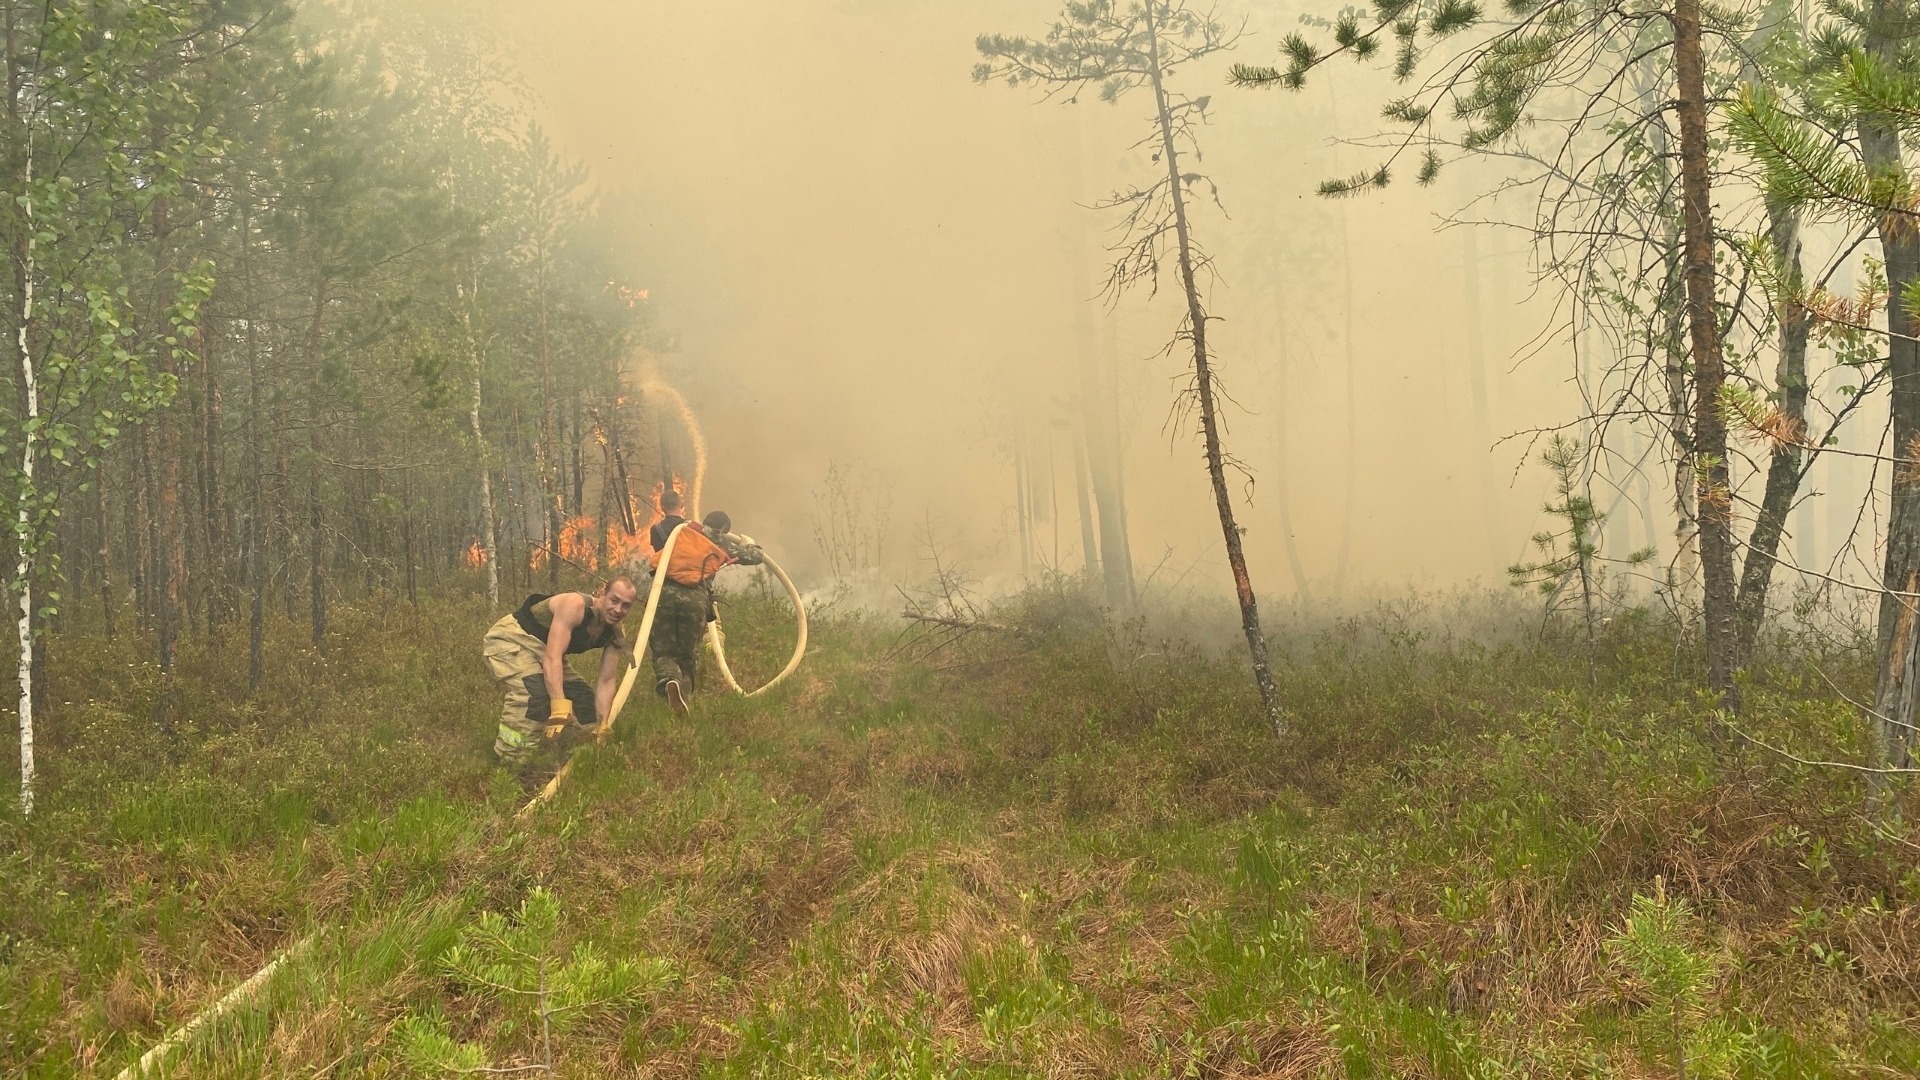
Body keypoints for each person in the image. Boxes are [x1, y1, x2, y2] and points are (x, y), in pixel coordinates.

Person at [483, 576, 640, 770]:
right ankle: (509, 764)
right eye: (614, 601)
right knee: (534, 694)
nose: (617, 610)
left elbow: (606, 680)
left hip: (546, 650)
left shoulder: (615, 633)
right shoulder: (574, 605)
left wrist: (603, 724)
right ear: (603, 593)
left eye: (625, 606)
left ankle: (566, 757)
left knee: (585, 704)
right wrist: (558, 706)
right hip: (512, 639)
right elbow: (552, 659)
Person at [647, 509, 761, 715]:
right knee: (688, 656)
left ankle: (669, 678)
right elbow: (755, 557)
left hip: (663, 594)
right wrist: (749, 543)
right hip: (695, 600)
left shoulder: (683, 531)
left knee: (663, 651)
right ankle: (685, 702)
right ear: (724, 530)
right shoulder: (719, 539)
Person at [649, 489, 688, 553]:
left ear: (662, 508)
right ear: (681, 505)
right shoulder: (692, 526)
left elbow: (658, 554)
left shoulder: (655, 530)